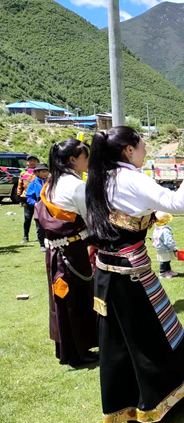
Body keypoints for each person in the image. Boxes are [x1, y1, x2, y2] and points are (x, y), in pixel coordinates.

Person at [86, 127, 184, 423]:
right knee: (158, 337)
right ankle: (159, 403)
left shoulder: (100, 178)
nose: (145, 150)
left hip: (106, 272)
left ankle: (124, 406)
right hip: (132, 275)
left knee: (117, 344)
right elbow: (179, 204)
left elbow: (120, 221)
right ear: (128, 150)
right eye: (142, 145)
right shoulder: (132, 179)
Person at [34, 139, 98, 367]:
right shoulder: (75, 185)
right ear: (72, 160)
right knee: (75, 300)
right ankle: (77, 353)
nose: (88, 161)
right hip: (72, 252)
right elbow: (91, 218)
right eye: (85, 157)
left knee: (62, 300)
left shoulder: (51, 183)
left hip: (55, 252)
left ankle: (69, 349)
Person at [25, 163, 50, 251]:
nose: (45, 173)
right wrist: (35, 204)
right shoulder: (33, 184)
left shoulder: (50, 182)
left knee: (51, 225)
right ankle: (42, 244)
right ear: (37, 173)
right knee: (40, 226)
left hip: (50, 207)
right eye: (43, 172)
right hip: (39, 207)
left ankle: (50, 242)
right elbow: (29, 197)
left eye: (46, 171)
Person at [18, 154, 39, 243]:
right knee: (27, 218)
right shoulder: (25, 173)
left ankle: (39, 236)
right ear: (27, 162)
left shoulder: (39, 172)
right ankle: (25, 236)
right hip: (27, 197)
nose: (32, 162)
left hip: (38, 198)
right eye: (30, 161)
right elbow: (21, 184)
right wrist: (19, 196)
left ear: (37, 162)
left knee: (38, 218)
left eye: (34, 160)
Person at [153, 212, 179, 279]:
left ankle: (168, 271)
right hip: (165, 248)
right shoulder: (165, 230)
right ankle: (162, 273)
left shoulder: (157, 228)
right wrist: (174, 248)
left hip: (159, 247)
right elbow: (168, 241)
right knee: (164, 261)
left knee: (167, 260)